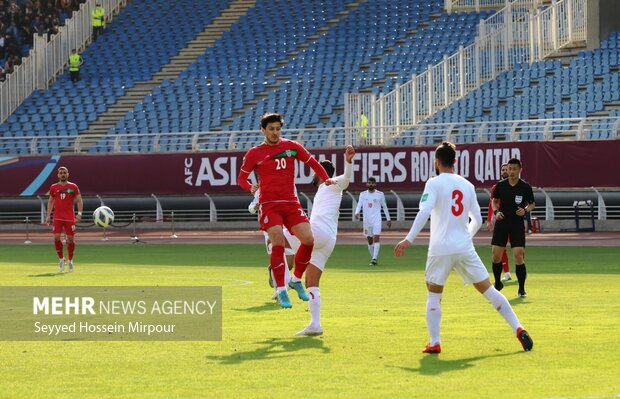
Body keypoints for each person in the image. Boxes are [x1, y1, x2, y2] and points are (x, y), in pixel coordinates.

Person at [394, 142, 533, 354]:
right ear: (455, 162)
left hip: (440, 247)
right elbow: (476, 219)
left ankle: (435, 341)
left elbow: (424, 212)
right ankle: (518, 327)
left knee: (433, 292)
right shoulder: (467, 185)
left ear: (437, 162)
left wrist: (408, 239)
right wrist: (464, 238)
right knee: (489, 290)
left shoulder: (433, 183)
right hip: (464, 247)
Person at [238, 113, 335, 308]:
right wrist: (249, 187)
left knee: (308, 239)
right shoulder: (254, 153)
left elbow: (313, 163)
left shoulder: (292, 147)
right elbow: (241, 178)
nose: (275, 133)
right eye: (271, 129)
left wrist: (325, 178)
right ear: (263, 130)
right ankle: (281, 289)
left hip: (291, 203)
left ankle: (296, 279)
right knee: (278, 243)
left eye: (278, 129)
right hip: (269, 205)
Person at [284, 145, 355, 336]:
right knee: (312, 283)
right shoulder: (324, 189)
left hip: (318, 232)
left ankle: (285, 282)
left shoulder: (332, 183)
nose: (314, 175)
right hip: (327, 240)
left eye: (316, 171)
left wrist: (348, 162)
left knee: (279, 233)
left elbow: (347, 179)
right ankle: (315, 324)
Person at [491, 158, 535, 298]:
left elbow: (532, 204)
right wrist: (497, 212)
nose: (511, 172)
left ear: (520, 170)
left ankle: (521, 289)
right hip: (502, 222)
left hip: (516, 223)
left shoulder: (525, 187)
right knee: (496, 255)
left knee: (518, 255)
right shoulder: (501, 185)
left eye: (514, 169)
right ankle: (498, 283)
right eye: (509, 169)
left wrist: (526, 210)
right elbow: (494, 201)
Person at [248, 187, 294, 299]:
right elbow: (250, 207)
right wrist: (255, 207)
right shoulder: (260, 191)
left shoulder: (284, 186)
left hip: (286, 228)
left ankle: (271, 269)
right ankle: (279, 292)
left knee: (290, 263)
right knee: (278, 260)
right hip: (269, 229)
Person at [45, 166, 83, 272]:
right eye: (61, 172)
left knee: (70, 239)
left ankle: (70, 260)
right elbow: (51, 202)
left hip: (69, 217)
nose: (63, 174)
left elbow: (79, 200)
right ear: (58, 175)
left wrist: (79, 214)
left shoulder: (73, 186)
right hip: (57, 217)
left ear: (68, 174)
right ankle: (61, 259)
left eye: (64, 172)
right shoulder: (53, 187)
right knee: (56, 238)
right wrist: (48, 215)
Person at [355, 177, 391, 266]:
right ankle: (373, 258)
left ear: (375, 184)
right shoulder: (362, 194)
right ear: (367, 184)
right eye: (369, 183)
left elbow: (384, 206)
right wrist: (357, 212)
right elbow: (359, 204)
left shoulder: (380, 194)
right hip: (367, 221)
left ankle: (374, 258)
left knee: (376, 238)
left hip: (377, 220)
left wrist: (388, 219)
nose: (370, 184)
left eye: (372, 183)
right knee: (369, 240)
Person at [487, 163, 511, 285]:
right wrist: (489, 219)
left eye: (506, 169)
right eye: (502, 170)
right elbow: (492, 203)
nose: (504, 171)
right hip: (501, 220)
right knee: (502, 248)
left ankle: (521, 268)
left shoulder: (517, 185)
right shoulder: (496, 187)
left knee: (519, 248)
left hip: (514, 220)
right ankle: (506, 273)